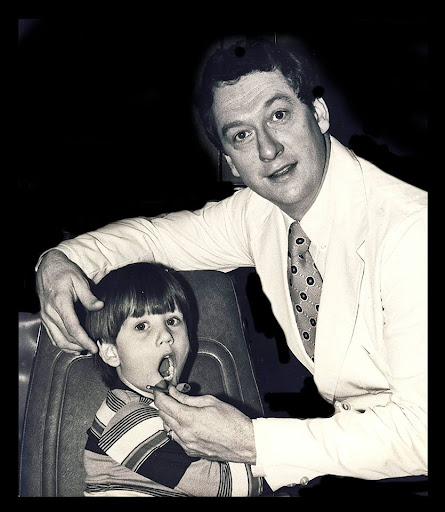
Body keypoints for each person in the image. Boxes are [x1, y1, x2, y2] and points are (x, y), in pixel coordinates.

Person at [35, 38, 427, 493]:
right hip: (358, 459)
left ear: (318, 114)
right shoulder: (259, 213)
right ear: (231, 162)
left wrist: (252, 442)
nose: (268, 149)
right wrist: (60, 261)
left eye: (278, 115)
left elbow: (421, 435)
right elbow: (155, 238)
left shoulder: (410, 233)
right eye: (241, 135)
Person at [82, 261, 264, 497]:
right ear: (111, 352)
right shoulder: (126, 417)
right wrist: (285, 457)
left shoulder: (159, 406)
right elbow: (226, 486)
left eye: (172, 321)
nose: (166, 336)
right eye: (142, 326)